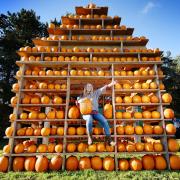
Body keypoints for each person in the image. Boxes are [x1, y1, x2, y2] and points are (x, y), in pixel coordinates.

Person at [76, 80, 117, 146]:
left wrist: (111, 84)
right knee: (89, 118)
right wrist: (86, 100)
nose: (89, 87)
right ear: (85, 88)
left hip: (95, 113)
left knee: (104, 121)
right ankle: (90, 137)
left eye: (91, 86)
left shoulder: (95, 93)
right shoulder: (81, 96)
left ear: (92, 88)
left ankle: (109, 140)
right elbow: (78, 102)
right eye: (88, 86)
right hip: (86, 113)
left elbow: (103, 88)